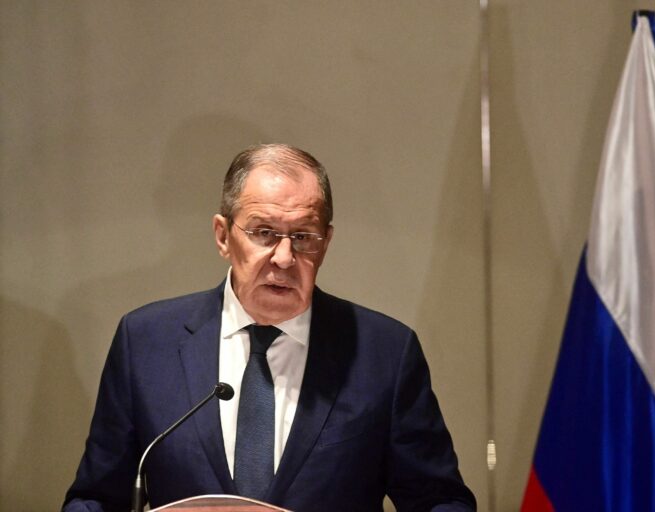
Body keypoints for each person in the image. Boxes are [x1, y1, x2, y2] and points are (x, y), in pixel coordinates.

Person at [63, 143, 476, 511]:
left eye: (304, 236)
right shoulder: (146, 342)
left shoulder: (384, 353)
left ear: (326, 243)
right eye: (264, 232)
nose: (283, 257)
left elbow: (439, 500)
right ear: (223, 236)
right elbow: (96, 498)